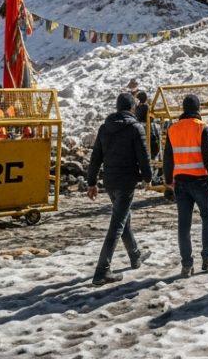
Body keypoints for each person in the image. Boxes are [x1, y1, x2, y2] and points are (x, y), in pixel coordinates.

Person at [86, 92, 154, 285]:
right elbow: (143, 156)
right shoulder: (135, 128)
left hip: (110, 181)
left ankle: (135, 256)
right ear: (132, 108)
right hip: (127, 182)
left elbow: (95, 157)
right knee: (117, 224)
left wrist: (92, 182)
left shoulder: (104, 128)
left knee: (123, 218)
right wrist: (148, 178)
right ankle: (102, 270)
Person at [165, 94, 208, 276]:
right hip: (199, 181)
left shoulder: (173, 129)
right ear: (198, 110)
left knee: (184, 224)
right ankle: (207, 258)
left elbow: (168, 159)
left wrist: (168, 184)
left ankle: (186, 265)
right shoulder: (202, 128)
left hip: (180, 182)